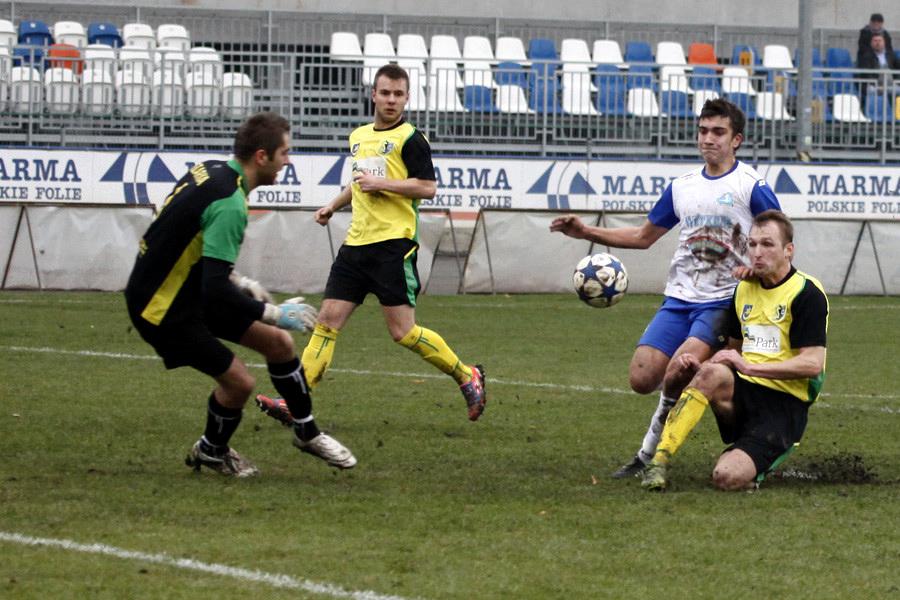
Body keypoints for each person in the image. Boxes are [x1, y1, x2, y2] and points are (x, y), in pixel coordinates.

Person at [550, 98, 781, 479]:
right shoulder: (682, 187)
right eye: (703, 131)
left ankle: (649, 454)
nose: (708, 139)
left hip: (722, 302)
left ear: (736, 139)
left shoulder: (751, 186)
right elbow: (643, 236)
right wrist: (586, 231)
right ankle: (729, 407)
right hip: (678, 299)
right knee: (641, 378)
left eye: (718, 132)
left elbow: (778, 236)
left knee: (681, 368)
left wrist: (756, 270)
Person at [256, 64, 486, 439]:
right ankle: (296, 403)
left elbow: (427, 188)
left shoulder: (412, 139)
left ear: (407, 98)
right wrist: (333, 204)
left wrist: (386, 183)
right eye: (385, 93)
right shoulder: (359, 136)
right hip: (356, 244)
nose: (391, 100)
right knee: (328, 320)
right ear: (374, 95)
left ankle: (467, 375)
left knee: (403, 332)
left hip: (392, 245)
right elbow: (360, 183)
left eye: (398, 94)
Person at [125, 111, 356, 478]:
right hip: (161, 306)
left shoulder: (213, 170)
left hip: (183, 288)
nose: (288, 161)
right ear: (262, 157)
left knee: (279, 345)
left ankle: (307, 432)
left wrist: (239, 281)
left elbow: (185, 232)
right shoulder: (231, 204)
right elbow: (214, 290)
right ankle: (212, 451)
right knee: (240, 383)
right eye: (284, 153)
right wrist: (273, 313)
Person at [641, 210, 828, 491]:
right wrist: (704, 365)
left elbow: (812, 364)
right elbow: (733, 349)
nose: (757, 252)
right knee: (708, 373)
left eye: (767, 244)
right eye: (752, 244)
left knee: (727, 478)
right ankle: (659, 462)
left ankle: (755, 457)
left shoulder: (806, 293)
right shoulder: (743, 291)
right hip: (745, 392)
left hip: (784, 406)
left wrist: (748, 367)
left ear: (789, 250)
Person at [857, 32, 900, 107]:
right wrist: (877, 85)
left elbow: (897, 70)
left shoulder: (890, 55)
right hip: (874, 85)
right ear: (871, 43)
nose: (878, 43)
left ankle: (897, 116)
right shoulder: (866, 56)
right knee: (872, 91)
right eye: (875, 41)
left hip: (890, 85)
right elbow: (865, 74)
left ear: (884, 43)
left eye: (880, 41)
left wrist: (897, 83)